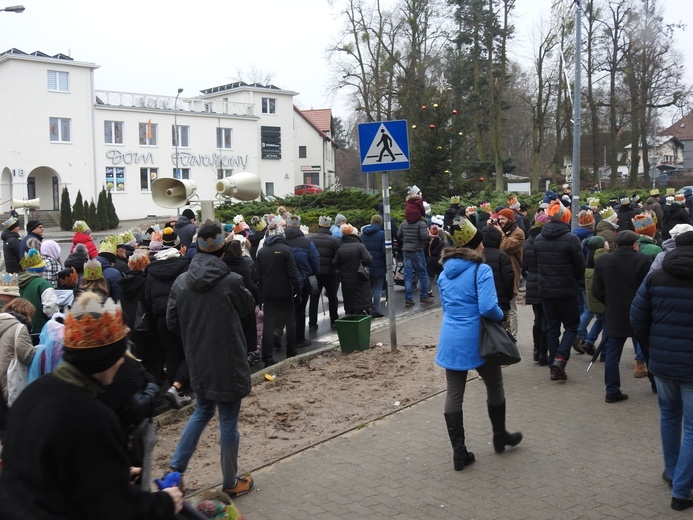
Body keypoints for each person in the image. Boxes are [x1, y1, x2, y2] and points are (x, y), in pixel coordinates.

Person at [0, 292, 183, 518]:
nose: (120, 361)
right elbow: (115, 509)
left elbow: (44, 474)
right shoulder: (91, 417)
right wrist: (165, 502)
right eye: (118, 354)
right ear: (105, 359)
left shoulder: (34, 393)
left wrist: (109, 473)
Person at [167, 222, 256, 498]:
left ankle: (174, 473)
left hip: (199, 358)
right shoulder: (230, 281)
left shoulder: (181, 282)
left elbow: (172, 321)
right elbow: (247, 307)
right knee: (228, 421)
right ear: (222, 251)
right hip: (228, 359)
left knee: (202, 411)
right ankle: (230, 481)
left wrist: (195, 327)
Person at [436, 216, 522, 471]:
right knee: (494, 385)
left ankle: (459, 453)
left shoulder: (444, 273)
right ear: (474, 244)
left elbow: (446, 306)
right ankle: (499, 436)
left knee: (454, 393)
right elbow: (487, 307)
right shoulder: (480, 269)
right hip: (479, 337)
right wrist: (501, 316)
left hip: (451, 337)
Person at [630, 230, 693, 510]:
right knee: (692, 427)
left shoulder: (656, 275)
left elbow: (637, 315)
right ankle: (682, 491)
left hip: (664, 363)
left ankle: (672, 472)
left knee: (669, 416)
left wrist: (651, 347)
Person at [592, 230, 651, 403]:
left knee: (612, 354)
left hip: (614, 313)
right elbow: (647, 288)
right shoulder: (642, 260)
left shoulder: (603, 261)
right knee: (647, 350)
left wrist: (609, 302)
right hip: (638, 313)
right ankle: (656, 384)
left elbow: (596, 290)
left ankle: (612, 390)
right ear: (634, 244)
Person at [533, 200, 584, 381]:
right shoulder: (571, 239)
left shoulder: (539, 239)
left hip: (546, 291)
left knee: (552, 328)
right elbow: (580, 266)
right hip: (567, 291)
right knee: (571, 326)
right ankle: (560, 359)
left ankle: (552, 366)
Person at [145, 242, 191, 409]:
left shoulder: (151, 273)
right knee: (189, 351)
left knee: (172, 353)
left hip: (161, 318)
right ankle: (178, 387)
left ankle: (175, 390)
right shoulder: (185, 267)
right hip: (182, 316)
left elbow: (148, 297)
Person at [256, 219, 301, 367]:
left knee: (268, 325)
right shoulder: (286, 250)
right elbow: (292, 273)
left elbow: (258, 276)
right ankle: (291, 352)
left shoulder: (262, 252)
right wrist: (297, 290)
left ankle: (267, 357)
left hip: (269, 293)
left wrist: (261, 294)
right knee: (290, 321)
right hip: (285, 292)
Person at [284, 215, 320, 348]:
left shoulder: (281, 241)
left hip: (284, 282)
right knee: (300, 310)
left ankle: (286, 338)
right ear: (299, 226)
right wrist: (313, 274)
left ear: (287, 226)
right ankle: (299, 338)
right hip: (302, 282)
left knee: (287, 310)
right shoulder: (306, 242)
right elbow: (315, 260)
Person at [491, 208, 525, 338]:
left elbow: (506, 247)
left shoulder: (518, 233)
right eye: (498, 219)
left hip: (512, 273)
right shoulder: (500, 231)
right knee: (500, 305)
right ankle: (502, 335)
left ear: (510, 219)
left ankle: (513, 337)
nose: (500, 221)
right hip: (499, 272)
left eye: (503, 219)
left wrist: (499, 232)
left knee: (511, 307)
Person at [523, 211, 550, 365]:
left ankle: (536, 350)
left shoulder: (528, 241)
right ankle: (543, 353)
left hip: (532, 281)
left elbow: (524, 263)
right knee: (546, 319)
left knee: (537, 318)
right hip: (546, 280)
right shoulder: (545, 240)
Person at [308, 215, 342, 329]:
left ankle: (312, 323)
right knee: (332, 297)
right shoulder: (335, 241)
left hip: (315, 273)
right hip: (330, 273)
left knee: (314, 298)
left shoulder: (310, 239)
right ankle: (334, 320)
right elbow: (338, 258)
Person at [333, 224, 373, 316]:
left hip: (346, 281)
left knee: (350, 300)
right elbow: (368, 259)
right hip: (360, 277)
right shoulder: (360, 246)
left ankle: (351, 317)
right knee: (361, 300)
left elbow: (335, 263)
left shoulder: (341, 248)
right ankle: (361, 318)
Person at [17, 248, 58, 334]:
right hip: (41, 332)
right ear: (41, 270)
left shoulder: (16, 282)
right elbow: (50, 310)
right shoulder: (43, 284)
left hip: (19, 331)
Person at [397, 210, 431, 307]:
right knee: (423, 274)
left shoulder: (404, 223)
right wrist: (429, 236)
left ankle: (409, 299)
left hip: (406, 250)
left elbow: (399, 235)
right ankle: (424, 297)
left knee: (408, 275)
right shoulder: (421, 223)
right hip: (417, 250)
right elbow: (424, 236)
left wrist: (406, 240)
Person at [361, 214, 387, 318]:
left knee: (369, 287)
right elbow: (384, 251)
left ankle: (368, 307)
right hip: (379, 264)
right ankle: (376, 309)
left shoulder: (363, 235)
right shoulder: (382, 234)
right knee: (378, 288)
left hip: (367, 264)